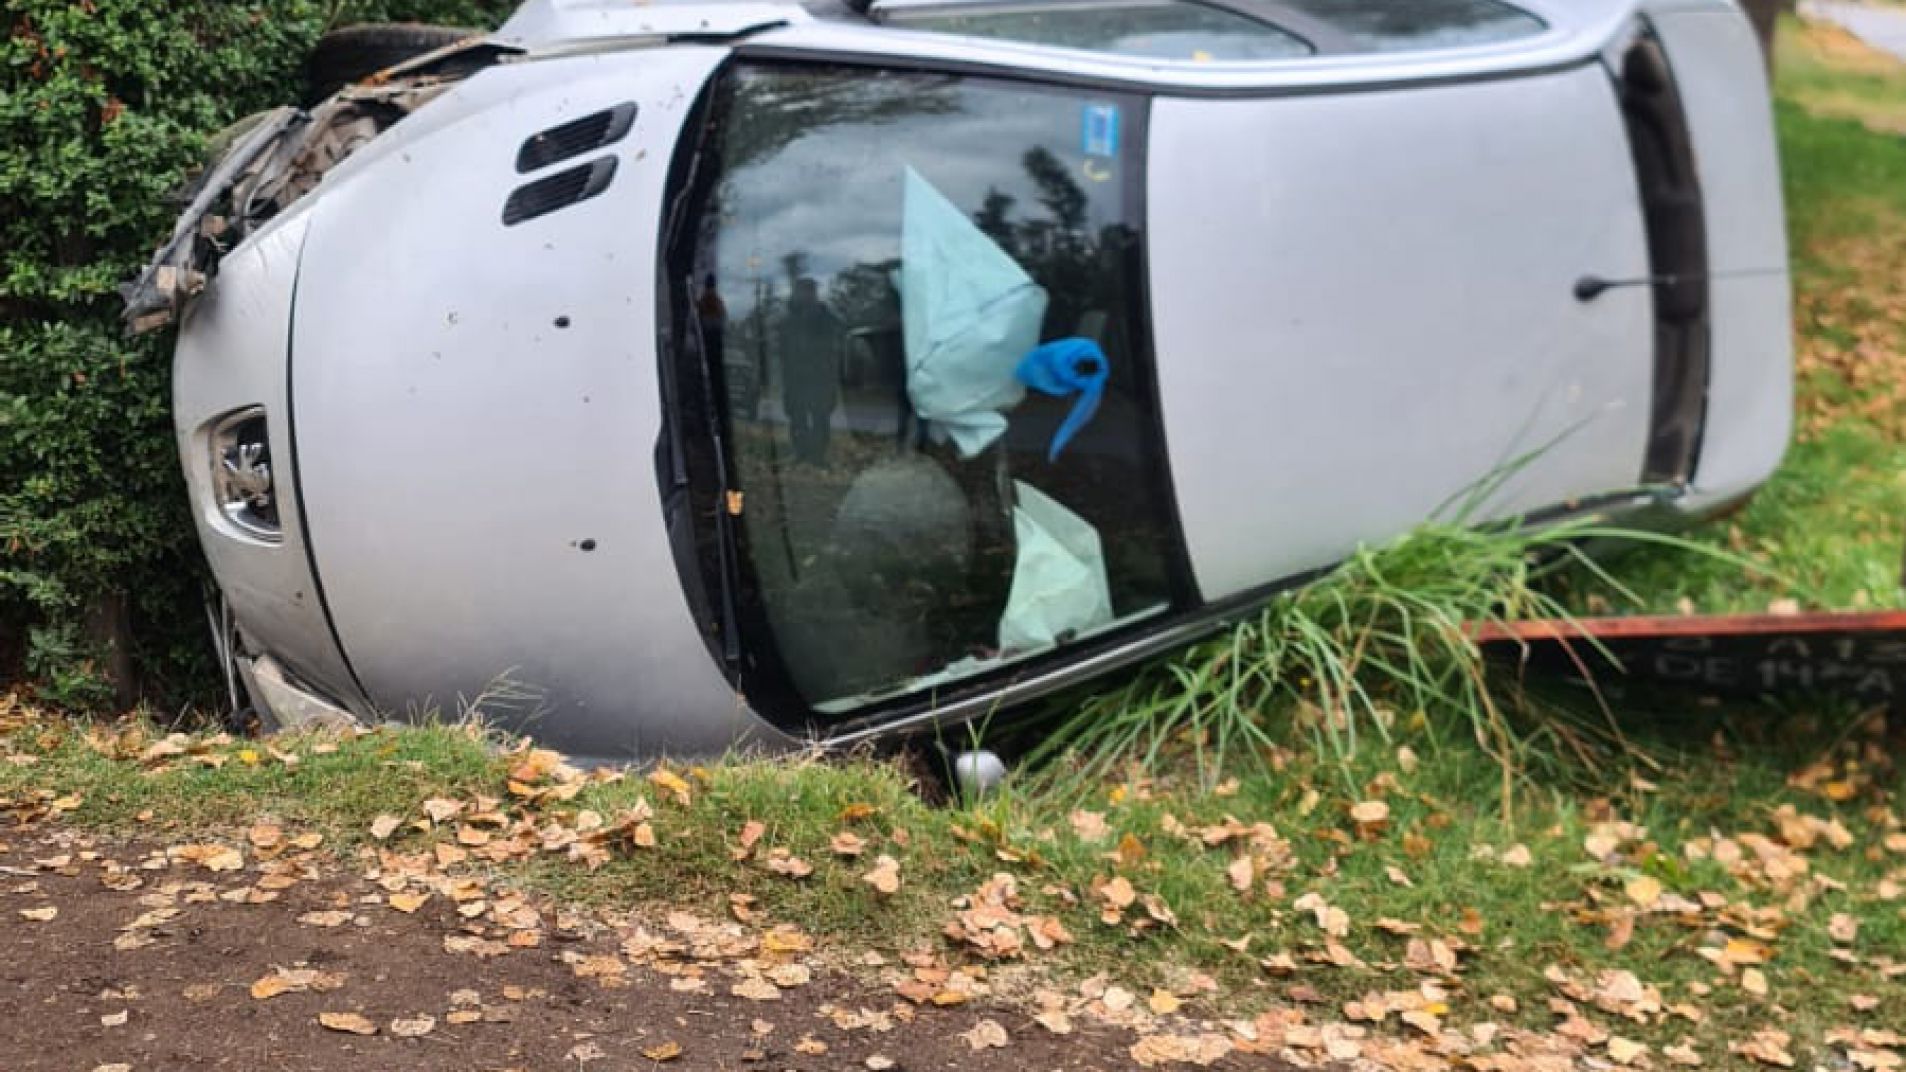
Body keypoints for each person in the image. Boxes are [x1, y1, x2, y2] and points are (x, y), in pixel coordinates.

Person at [780, 276, 843, 464]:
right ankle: (801, 454)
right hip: (795, 377)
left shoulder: (825, 317)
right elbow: (784, 348)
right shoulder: (789, 318)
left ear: (814, 293)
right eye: (801, 290)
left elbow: (833, 346)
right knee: (797, 417)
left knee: (820, 418)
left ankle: (818, 457)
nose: (804, 295)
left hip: (820, 377)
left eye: (808, 291)